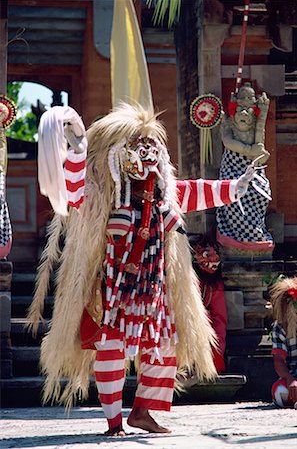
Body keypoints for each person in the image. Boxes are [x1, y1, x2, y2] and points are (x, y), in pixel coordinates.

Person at [28, 102, 259, 436]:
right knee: (111, 349)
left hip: (153, 288)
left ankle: (142, 411)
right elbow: (72, 192)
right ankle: (112, 422)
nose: (147, 153)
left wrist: (236, 187)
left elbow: (194, 190)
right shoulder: (101, 194)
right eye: (138, 145)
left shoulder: (165, 192)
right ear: (117, 154)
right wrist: (77, 152)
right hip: (112, 287)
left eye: (152, 146)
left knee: (164, 348)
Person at [216, 83, 274, 256]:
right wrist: (249, 151)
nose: (244, 113)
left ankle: (255, 233)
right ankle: (235, 235)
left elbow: (259, 143)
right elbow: (227, 142)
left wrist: (262, 116)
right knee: (233, 196)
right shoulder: (228, 122)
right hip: (232, 167)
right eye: (241, 107)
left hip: (252, 167)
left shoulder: (256, 122)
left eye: (249, 108)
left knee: (260, 193)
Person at [190, 234, 227, 373]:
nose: (212, 260)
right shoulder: (184, 280)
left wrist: (217, 347)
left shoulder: (215, 285)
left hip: (206, 333)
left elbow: (219, 319)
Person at [270, 276, 297, 408]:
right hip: (293, 378)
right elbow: (278, 360)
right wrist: (291, 379)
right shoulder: (279, 327)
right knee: (280, 391)